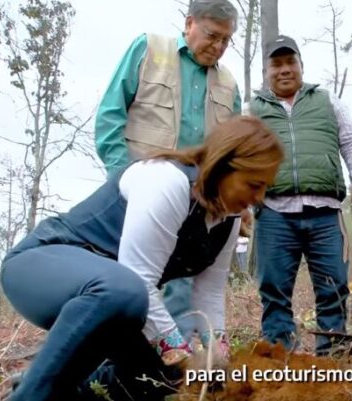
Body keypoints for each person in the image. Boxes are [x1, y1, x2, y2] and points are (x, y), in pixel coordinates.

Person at [1, 117, 283, 401]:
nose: (259, 198)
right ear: (222, 165)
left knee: (166, 379)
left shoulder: (229, 219)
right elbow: (139, 279)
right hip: (39, 269)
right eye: (254, 184)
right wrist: (185, 358)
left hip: (114, 304)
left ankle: (57, 388)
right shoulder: (168, 181)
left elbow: (209, 294)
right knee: (127, 294)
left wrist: (219, 361)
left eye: (265, 188)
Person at [94, 0, 244, 352]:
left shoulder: (228, 84)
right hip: (138, 195)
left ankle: (178, 358)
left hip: (195, 205)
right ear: (189, 23)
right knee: (127, 280)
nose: (218, 46)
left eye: (226, 40)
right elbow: (110, 116)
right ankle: (115, 360)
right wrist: (121, 180)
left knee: (183, 279)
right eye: (212, 35)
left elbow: (233, 152)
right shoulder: (148, 50)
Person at [248, 35, 352, 355]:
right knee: (274, 291)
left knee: (334, 286)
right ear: (266, 71)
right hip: (273, 212)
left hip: (325, 212)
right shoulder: (252, 110)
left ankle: (332, 355)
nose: (284, 70)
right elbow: (238, 155)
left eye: (291, 62)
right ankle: (278, 357)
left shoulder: (328, 101)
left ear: (301, 65)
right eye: (276, 64)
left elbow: (351, 141)